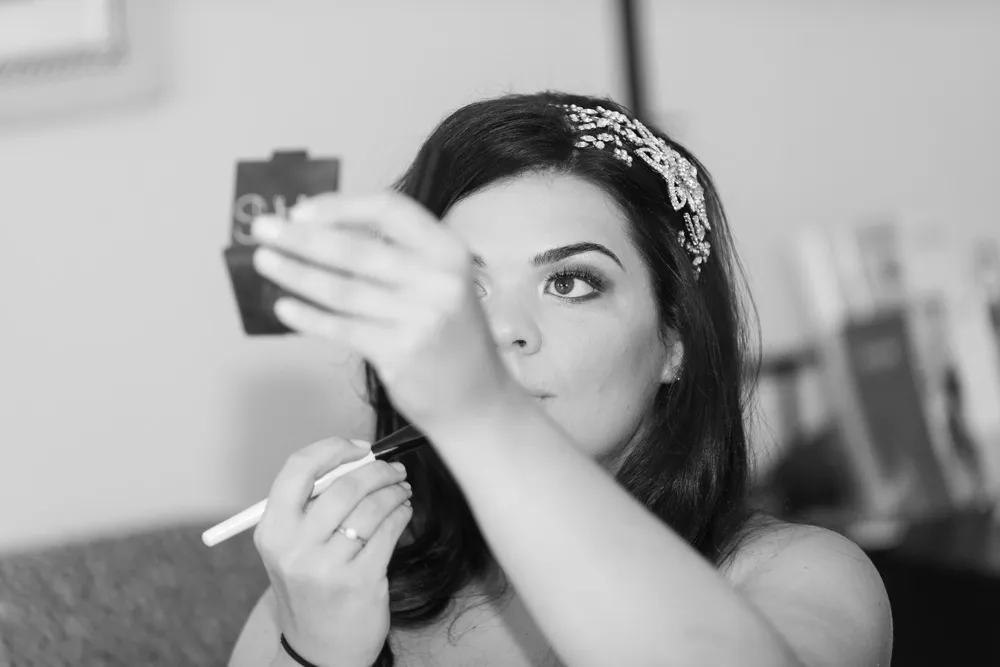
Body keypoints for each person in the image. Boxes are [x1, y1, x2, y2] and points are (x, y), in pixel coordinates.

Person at [229, 91, 893, 667]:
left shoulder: (799, 575)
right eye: (465, 285)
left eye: (570, 282)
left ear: (675, 341)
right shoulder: (334, 583)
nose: (504, 329)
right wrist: (315, 651)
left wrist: (486, 413)